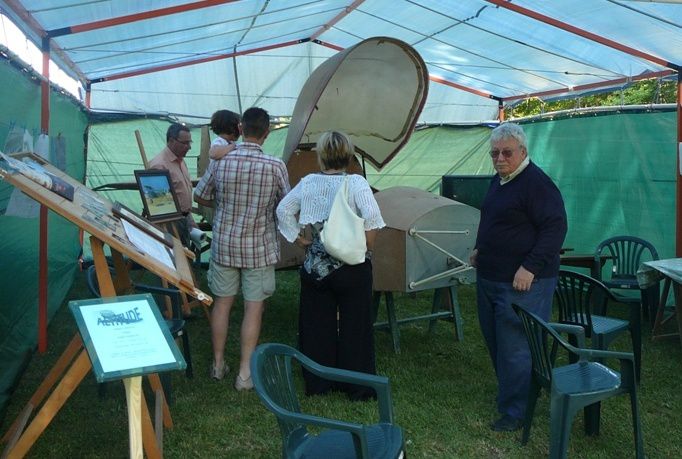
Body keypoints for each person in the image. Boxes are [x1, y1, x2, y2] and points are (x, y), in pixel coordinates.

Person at [470, 122, 567, 432]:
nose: (499, 159)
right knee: (496, 340)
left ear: (523, 152)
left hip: (524, 282)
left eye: (506, 153)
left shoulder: (537, 184)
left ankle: (517, 413)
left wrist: (530, 267)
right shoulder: (499, 181)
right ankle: (513, 395)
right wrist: (479, 248)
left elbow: (555, 228)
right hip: (491, 276)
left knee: (516, 345)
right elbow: (493, 219)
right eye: (494, 153)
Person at [276, 131, 385, 401]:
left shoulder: (308, 182)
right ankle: (357, 387)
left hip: (316, 269)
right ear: (348, 156)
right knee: (356, 326)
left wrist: (299, 239)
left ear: (320, 155)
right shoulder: (357, 183)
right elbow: (372, 216)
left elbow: (283, 210)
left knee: (316, 325)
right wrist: (366, 247)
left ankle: (318, 383)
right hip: (353, 267)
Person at [194, 107, 290, 391]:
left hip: (224, 245)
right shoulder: (275, 166)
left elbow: (200, 195)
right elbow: (285, 205)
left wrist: (223, 206)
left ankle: (218, 363)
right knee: (253, 308)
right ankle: (245, 373)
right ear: (267, 132)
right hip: (258, 247)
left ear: (240, 127)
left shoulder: (221, 161)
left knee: (222, 304)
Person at [147, 123, 197, 247]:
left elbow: (181, 195)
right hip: (170, 223)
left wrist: (189, 219)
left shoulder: (180, 161)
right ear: (171, 141)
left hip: (183, 219)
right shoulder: (159, 166)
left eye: (190, 142)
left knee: (185, 259)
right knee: (176, 260)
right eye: (185, 143)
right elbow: (159, 206)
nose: (189, 147)